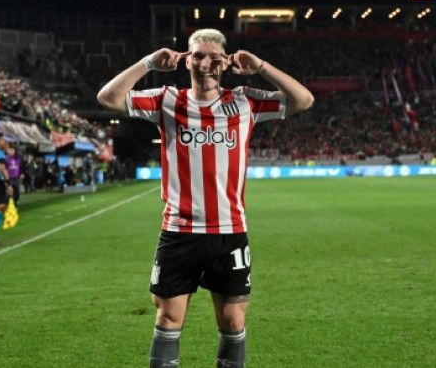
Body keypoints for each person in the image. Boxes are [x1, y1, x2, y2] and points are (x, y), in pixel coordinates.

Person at [96, 28, 314, 367]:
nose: (206, 63)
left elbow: (304, 100)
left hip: (229, 231)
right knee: (168, 320)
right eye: (198, 55)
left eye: (214, 57)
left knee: (233, 321)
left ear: (226, 62)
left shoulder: (245, 100)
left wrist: (261, 67)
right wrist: (150, 62)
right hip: (179, 231)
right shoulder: (167, 99)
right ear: (187, 59)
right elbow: (108, 98)